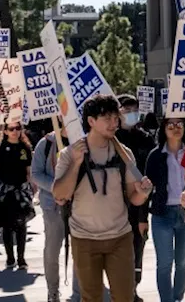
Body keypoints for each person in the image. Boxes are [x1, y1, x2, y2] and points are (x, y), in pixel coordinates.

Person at [53, 94, 154, 302]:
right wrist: (76, 164)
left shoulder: (123, 154)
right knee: (91, 298)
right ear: (91, 121)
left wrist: (143, 193)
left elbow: (133, 198)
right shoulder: (70, 154)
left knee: (125, 297)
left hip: (120, 237)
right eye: (107, 118)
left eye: (116, 118)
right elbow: (60, 194)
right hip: (84, 238)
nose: (114, 123)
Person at [145, 117, 185, 302]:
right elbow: (147, 186)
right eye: (171, 125)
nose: (176, 129)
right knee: (164, 264)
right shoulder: (156, 155)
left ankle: (177, 298)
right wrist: (142, 219)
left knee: (183, 263)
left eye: (179, 125)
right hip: (162, 214)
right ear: (163, 129)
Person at [33, 129, 81, 302]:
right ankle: (53, 291)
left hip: (80, 206)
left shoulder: (83, 141)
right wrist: (57, 189)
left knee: (80, 251)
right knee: (52, 251)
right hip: (53, 207)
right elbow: (36, 173)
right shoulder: (46, 143)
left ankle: (78, 294)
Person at [116, 94, 156, 301]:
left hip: (138, 203)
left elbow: (149, 176)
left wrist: (143, 216)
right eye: (126, 110)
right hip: (112, 204)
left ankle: (132, 288)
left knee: (136, 247)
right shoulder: (111, 139)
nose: (131, 114)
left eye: (134, 110)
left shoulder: (145, 138)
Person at [0, 120, 34, 269]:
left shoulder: (25, 147)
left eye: (18, 128)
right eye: (11, 128)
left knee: (22, 225)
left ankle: (21, 258)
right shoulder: (0, 148)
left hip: (21, 190)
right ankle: (10, 257)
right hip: (5, 190)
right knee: (7, 225)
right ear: (5, 131)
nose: (15, 131)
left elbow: (29, 170)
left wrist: (32, 187)